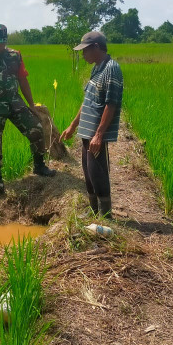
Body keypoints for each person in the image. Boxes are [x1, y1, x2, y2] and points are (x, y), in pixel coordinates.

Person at [0, 24, 55, 194]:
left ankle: (39, 166)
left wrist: (31, 104)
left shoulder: (15, 55)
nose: (0, 46)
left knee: (36, 129)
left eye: (2, 43)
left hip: (16, 103)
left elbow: (23, 80)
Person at [60, 31, 123, 218]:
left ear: (96, 47)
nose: (83, 55)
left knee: (98, 173)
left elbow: (111, 104)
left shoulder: (111, 68)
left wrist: (99, 134)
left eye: (85, 50)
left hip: (95, 133)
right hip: (87, 131)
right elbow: (87, 100)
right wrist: (73, 126)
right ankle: (93, 211)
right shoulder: (97, 68)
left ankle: (105, 216)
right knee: (88, 172)